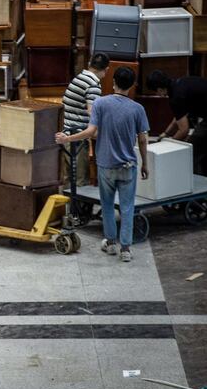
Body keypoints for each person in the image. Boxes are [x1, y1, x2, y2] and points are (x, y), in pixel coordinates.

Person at [55, 67, 149, 263]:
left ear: (113, 82)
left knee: (106, 205)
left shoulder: (100, 104)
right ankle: (126, 249)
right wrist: (144, 164)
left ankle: (111, 243)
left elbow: (91, 132)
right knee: (127, 207)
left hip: (105, 165)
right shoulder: (138, 109)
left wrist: (68, 138)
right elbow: (142, 139)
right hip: (128, 166)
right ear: (132, 85)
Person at [146, 70, 207, 177]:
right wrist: (165, 134)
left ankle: (193, 184)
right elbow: (178, 118)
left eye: (156, 92)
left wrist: (168, 144)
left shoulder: (176, 97)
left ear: (159, 89)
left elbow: (184, 130)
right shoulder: (180, 83)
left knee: (190, 151)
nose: (158, 94)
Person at [61, 52, 110, 186]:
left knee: (68, 181)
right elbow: (92, 113)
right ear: (106, 70)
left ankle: (69, 208)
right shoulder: (93, 84)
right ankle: (78, 208)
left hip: (67, 135)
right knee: (80, 183)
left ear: (90, 64)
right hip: (77, 140)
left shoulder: (79, 77)